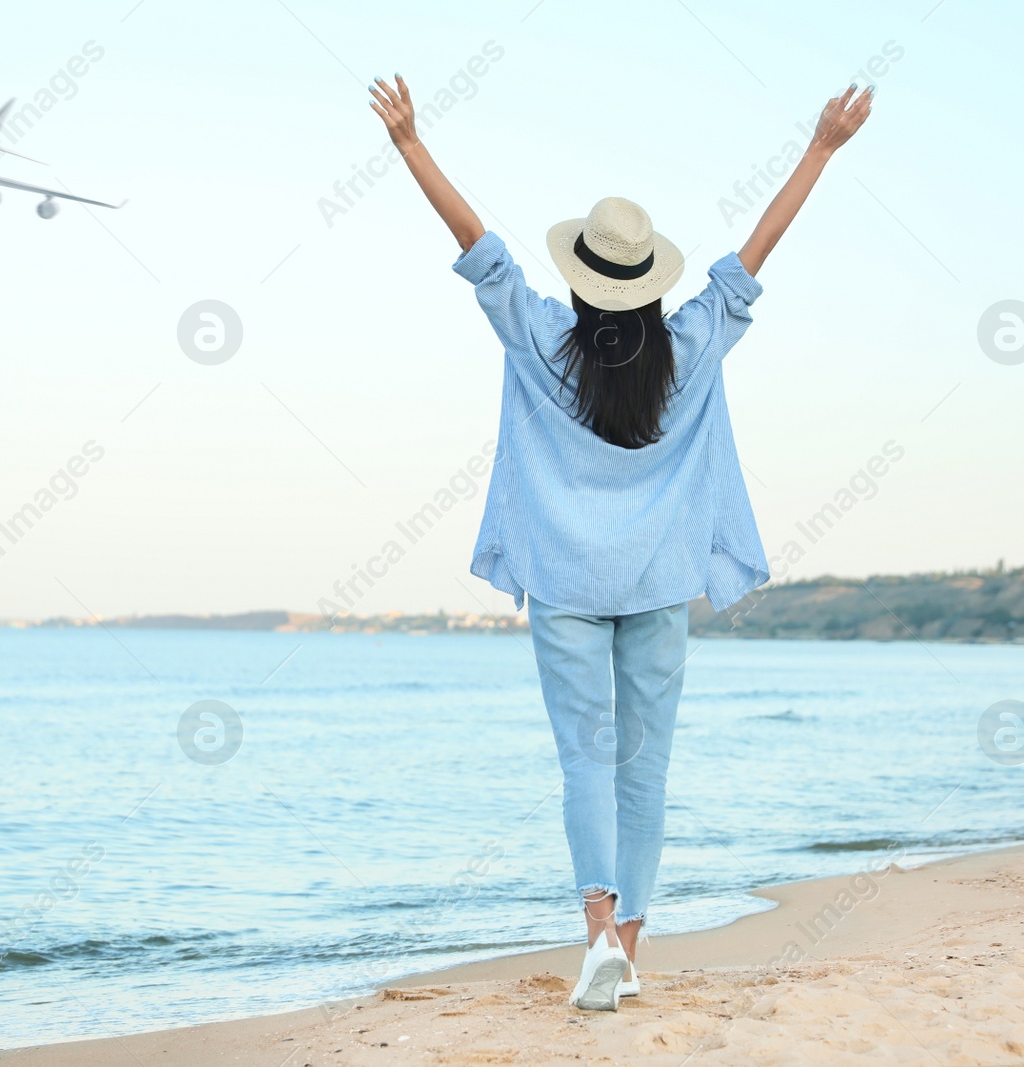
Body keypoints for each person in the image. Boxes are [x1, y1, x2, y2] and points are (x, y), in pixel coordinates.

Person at [369, 75, 873, 1011]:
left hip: (564, 583)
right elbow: (758, 251)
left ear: (580, 275)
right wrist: (822, 147)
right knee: (647, 766)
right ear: (651, 280)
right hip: (657, 585)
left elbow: (476, 245)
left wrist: (408, 143)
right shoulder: (691, 343)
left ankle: (599, 933)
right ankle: (627, 949)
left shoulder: (542, 337)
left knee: (584, 760)